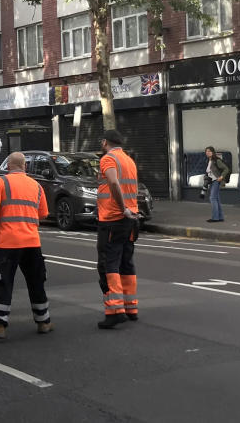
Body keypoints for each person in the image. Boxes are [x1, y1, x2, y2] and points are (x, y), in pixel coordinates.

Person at [0, 151, 52, 340]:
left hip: (8, 242)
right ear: (25, 166)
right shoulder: (37, 186)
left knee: (2, 281)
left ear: (8, 166)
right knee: (36, 281)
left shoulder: (1, 182)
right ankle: (43, 321)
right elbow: (43, 214)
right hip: (32, 242)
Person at [96, 130, 140, 330]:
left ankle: (115, 311)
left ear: (105, 142)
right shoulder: (129, 160)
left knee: (108, 264)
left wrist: (122, 208)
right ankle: (131, 307)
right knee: (126, 262)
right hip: (130, 219)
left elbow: (113, 182)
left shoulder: (108, 159)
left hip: (113, 218)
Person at [204, 146, 230, 223]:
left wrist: (221, 177)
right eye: (206, 151)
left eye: (209, 151)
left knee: (212, 198)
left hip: (216, 181)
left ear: (213, 152)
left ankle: (215, 218)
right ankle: (220, 217)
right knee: (217, 199)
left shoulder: (216, 161)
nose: (207, 152)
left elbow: (226, 169)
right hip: (212, 181)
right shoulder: (209, 161)